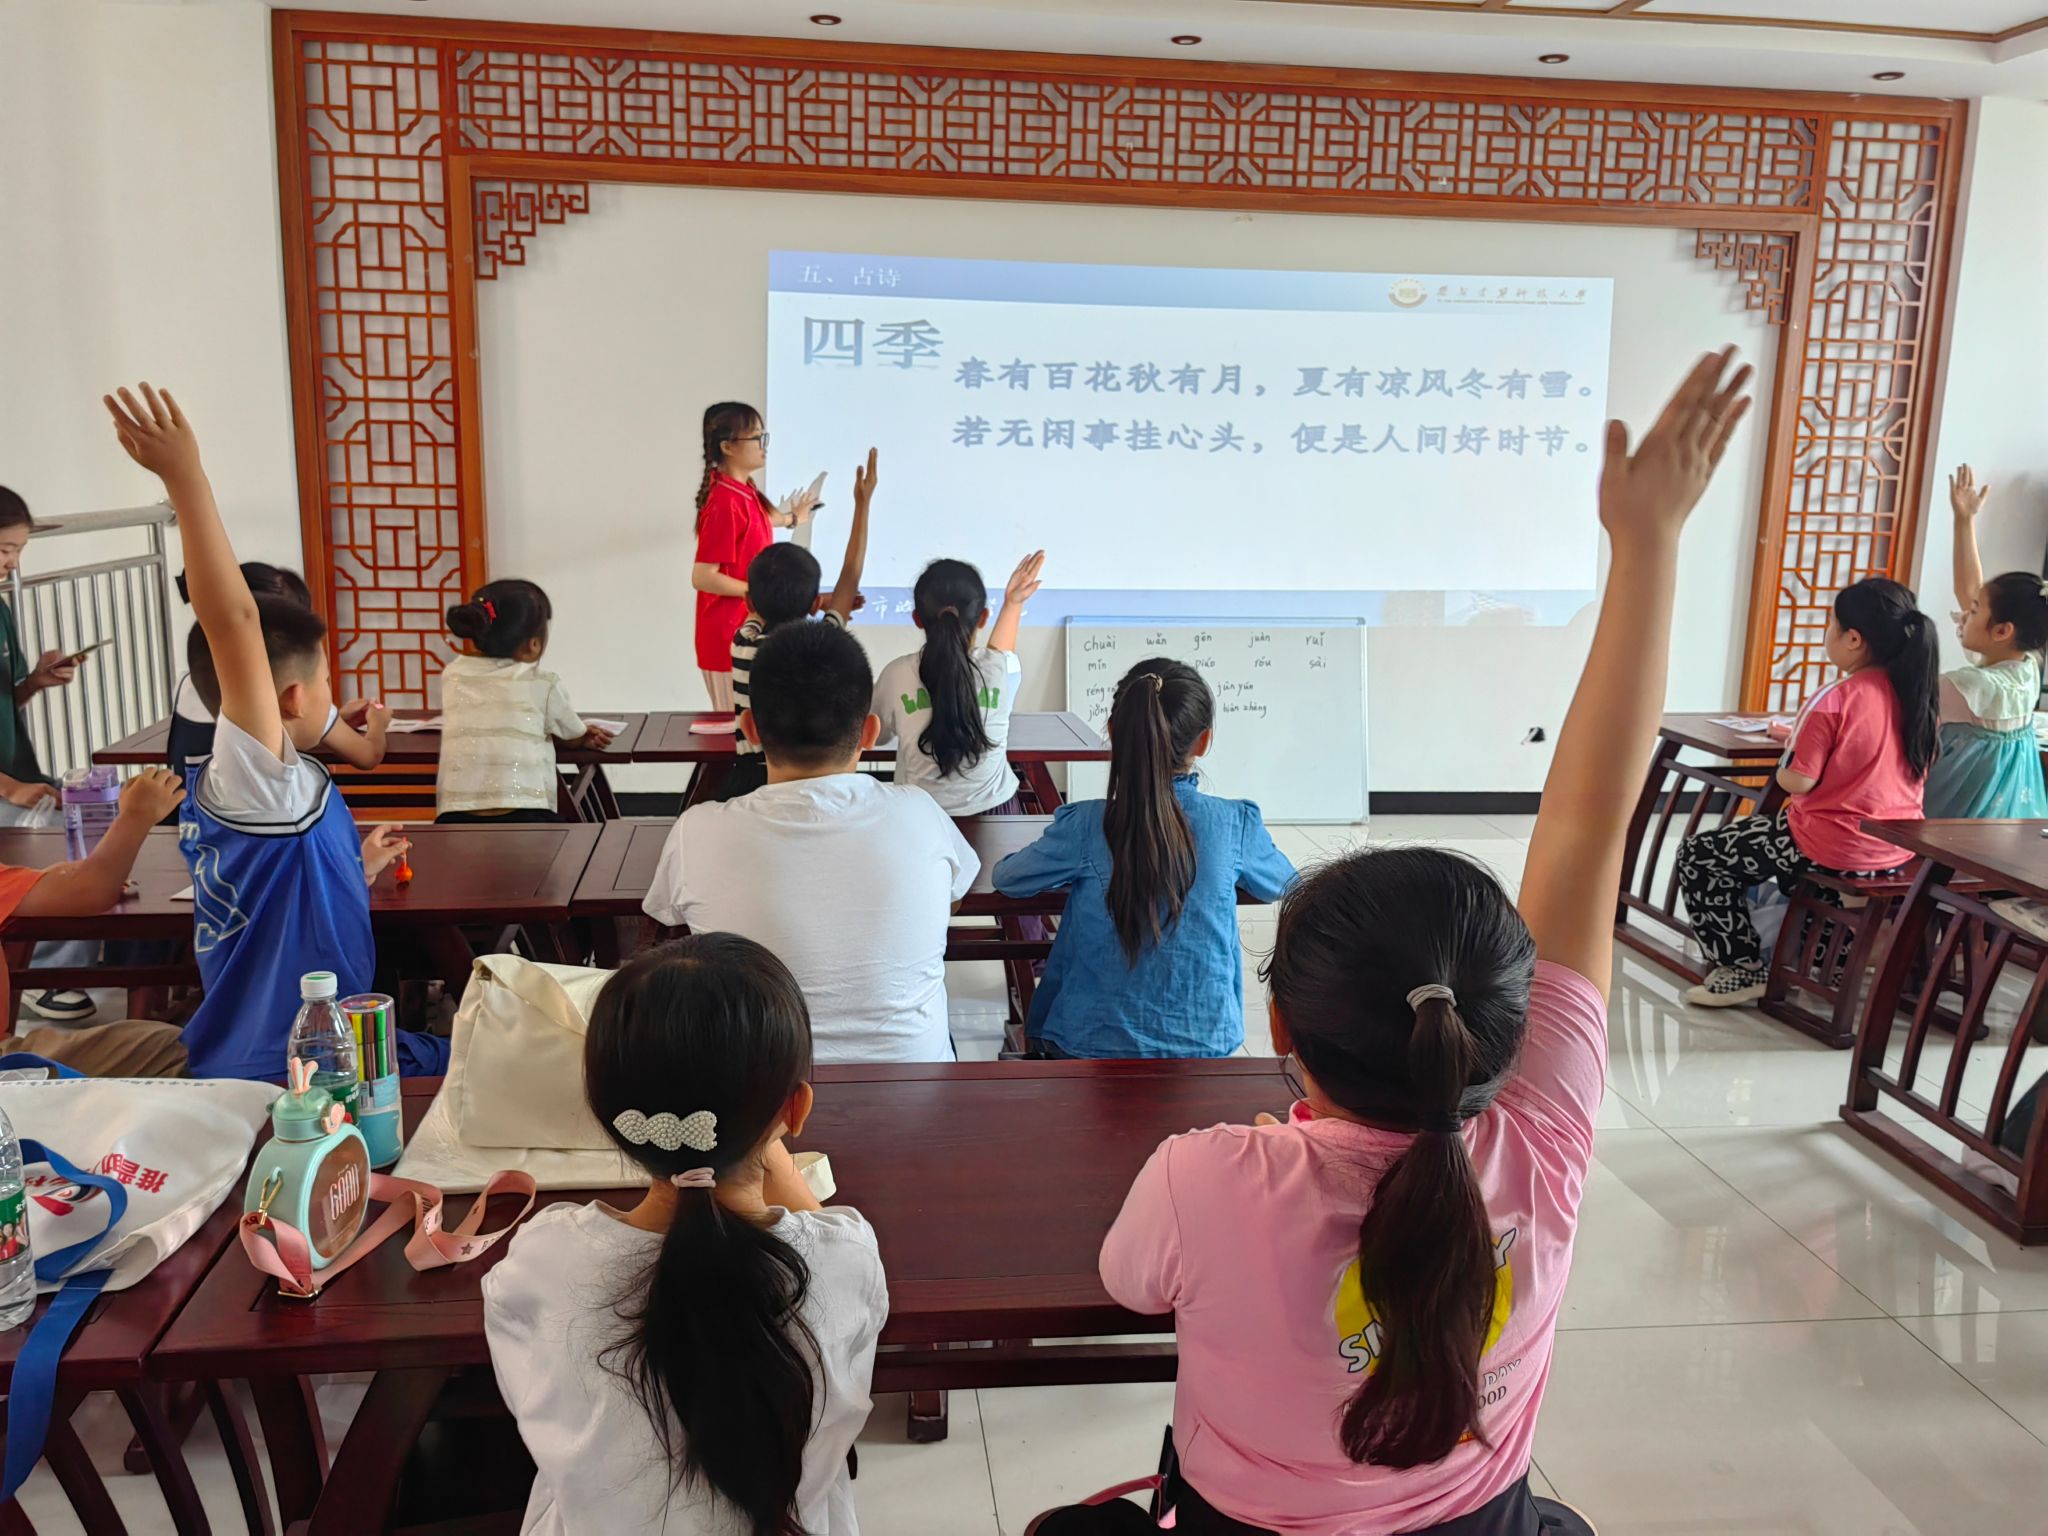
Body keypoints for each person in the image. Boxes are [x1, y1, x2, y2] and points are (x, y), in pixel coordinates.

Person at [1021, 350, 1751, 1536]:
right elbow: (1584, 830)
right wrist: (1650, 544)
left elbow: (1127, 1284)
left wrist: (1642, 540)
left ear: (1280, 1030)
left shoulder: (1208, 1176)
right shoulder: (1544, 1142)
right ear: (1501, 1026)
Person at [484, 934, 887, 1536]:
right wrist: (769, 1150)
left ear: (609, 1120)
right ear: (796, 1110)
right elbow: (821, 1232)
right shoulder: (845, 1259)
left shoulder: (543, 1261)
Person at [102, 383, 442, 1081]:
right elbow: (234, 623)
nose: (333, 695)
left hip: (305, 1049)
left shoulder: (266, 789)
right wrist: (185, 477)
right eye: (326, 681)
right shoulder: (257, 776)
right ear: (290, 696)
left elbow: (275, 898)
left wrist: (354, 866)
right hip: (293, 1067)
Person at [643, 621, 976, 1062]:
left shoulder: (697, 830)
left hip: (763, 1091)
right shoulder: (921, 813)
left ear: (750, 728)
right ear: (870, 732)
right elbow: (953, 898)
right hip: (915, 1086)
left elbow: (668, 920)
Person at [991, 659, 1296, 1058]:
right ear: (1203, 742)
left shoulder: (1085, 824)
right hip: (1203, 1046)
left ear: (1114, 732)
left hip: (1087, 1045)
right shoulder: (1233, 824)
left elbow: (1008, 879)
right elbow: (1285, 883)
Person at [1676, 575, 1938, 1006]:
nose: (1827, 635)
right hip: (1895, 846)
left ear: (1853, 639)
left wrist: (1791, 751)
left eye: (1831, 625)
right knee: (1783, 856)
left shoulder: (1837, 696)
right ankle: (1824, 956)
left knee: (1700, 855)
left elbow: (1797, 780)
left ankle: (1741, 966)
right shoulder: (1916, 694)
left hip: (1830, 842)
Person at [0, 766, 191, 1075]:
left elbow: (74, 887)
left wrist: (54, 878)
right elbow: (92, 890)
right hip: (8, 1067)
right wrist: (137, 814)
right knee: (180, 1049)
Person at [723, 449, 877, 803]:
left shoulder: (743, 642)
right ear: (814, 604)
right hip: (818, 786)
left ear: (749, 603)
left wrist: (819, 601)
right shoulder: (826, 646)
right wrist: (862, 504)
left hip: (749, 780)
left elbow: (759, 604)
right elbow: (851, 573)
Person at [0, 487, 98, 1023]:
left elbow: (5, 695)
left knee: (94, 816)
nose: (13, 564)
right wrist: (10, 789)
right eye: (4, 550)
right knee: (68, 838)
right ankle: (51, 974)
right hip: (6, 784)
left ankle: (82, 956)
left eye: (18, 550)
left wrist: (36, 680)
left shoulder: (0, 610)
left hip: (17, 772)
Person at [168, 562, 392, 780]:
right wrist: (378, 722)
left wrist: (337, 718)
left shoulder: (190, 681)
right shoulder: (283, 687)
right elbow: (368, 755)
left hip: (188, 803)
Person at [873, 551, 1044, 818]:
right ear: (983, 617)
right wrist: (1013, 604)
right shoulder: (1002, 669)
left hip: (920, 820)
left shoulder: (896, 675)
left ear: (917, 618)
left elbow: (878, 735)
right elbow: (997, 658)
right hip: (996, 817)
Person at [1923, 465, 2048, 819]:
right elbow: (1971, 590)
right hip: (2010, 823)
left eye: (1975, 610)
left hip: (1949, 824)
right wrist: (1965, 521)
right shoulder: (2027, 668)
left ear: (2002, 631)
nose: (1965, 613)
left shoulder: (1966, 685)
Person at [437, 579, 612, 823]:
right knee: (575, 835)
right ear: (534, 644)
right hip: (527, 814)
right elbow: (572, 735)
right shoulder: (543, 683)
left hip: (454, 816)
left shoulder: (453, 675)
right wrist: (583, 737)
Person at [691, 402, 821, 712]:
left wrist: (793, 518)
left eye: (764, 437)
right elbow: (703, 576)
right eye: (756, 438)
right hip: (727, 636)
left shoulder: (742, 490)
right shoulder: (724, 502)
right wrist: (761, 592)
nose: (764, 446)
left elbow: (759, 521)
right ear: (728, 447)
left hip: (746, 628)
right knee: (736, 728)